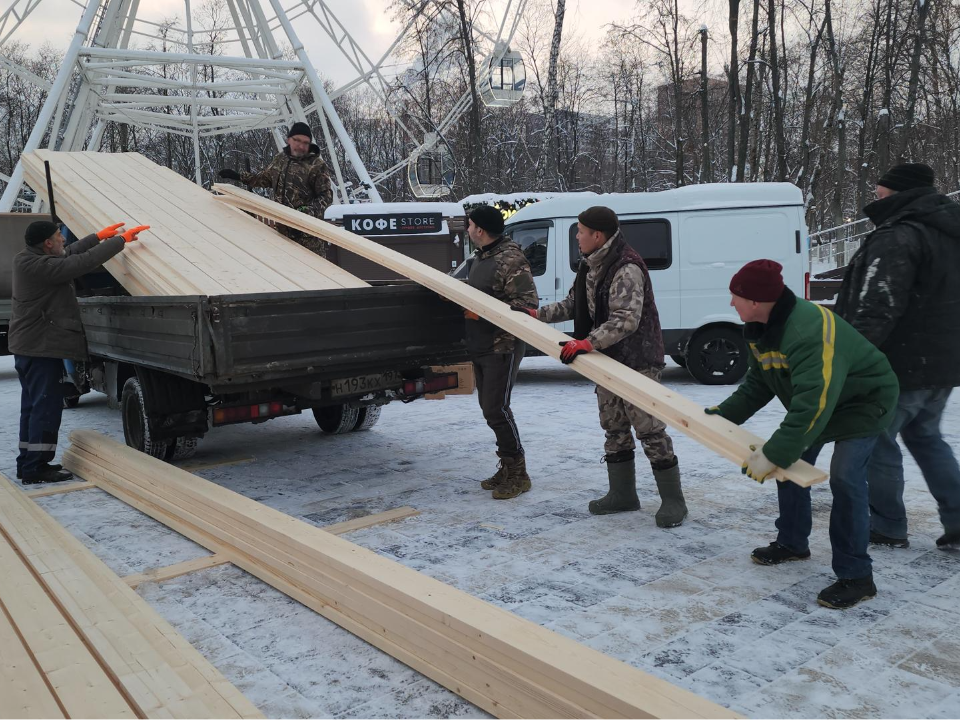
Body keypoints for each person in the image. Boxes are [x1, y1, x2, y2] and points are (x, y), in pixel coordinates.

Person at [707, 259, 899, 609]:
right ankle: (793, 543)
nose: (731, 304)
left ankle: (857, 576)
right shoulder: (761, 330)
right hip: (825, 400)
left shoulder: (808, 331)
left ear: (755, 301)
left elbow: (812, 405)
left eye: (735, 297)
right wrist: (722, 417)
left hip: (864, 403)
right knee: (790, 468)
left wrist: (774, 453)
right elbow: (758, 384)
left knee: (845, 479)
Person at [522, 206, 687, 527]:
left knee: (649, 430)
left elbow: (626, 320)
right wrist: (535, 315)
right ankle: (622, 493)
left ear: (597, 235)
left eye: (580, 232)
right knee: (613, 425)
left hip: (637, 361)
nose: (577, 237)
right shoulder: (590, 265)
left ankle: (673, 501)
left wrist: (586, 343)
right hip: (607, 360)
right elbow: (573, 304)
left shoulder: (626, 267)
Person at [833, 163, 960, 551]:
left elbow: (877, 307)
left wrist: (851, 362)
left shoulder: (898, 236)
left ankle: (888, 525)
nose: (876, 197)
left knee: (876, 441)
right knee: (926, 437)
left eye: (880, 191)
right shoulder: (947, 232)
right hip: (943, 363)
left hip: (899, 366)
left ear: (895, 193)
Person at [9, 220, 148, 484]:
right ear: (47, 243)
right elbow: (78, 264)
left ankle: (28, 463)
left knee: (33, 407)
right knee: (45, 408)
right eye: (58, 235)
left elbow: (69, 254)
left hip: (32, 347)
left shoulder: (31, 258)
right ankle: (35, 467)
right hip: (40, 348)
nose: (63, 238)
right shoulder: (38, 266)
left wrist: (96, 237)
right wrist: (119, 241)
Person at [464, 205, 538, 499]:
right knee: (489, 409)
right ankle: (507, 467)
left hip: (502, 345)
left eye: (470, 225)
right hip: (480, 344)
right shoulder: (481, 257)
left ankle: (518, 472)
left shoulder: (510, 259)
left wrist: (483, 313)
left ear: (480, 230)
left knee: (497, 409)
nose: (468, 230)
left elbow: (527, 303)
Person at [218, 122, 334, 257]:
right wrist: (239, 176)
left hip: (308, 238)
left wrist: (306, 214)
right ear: (289, 139)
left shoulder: (316, 165)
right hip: (282, 233)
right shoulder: (280, 159)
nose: (301, 146)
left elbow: (326, 196)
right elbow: (264, 178)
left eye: (305, 142)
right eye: (297, 140)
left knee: (311, 275)